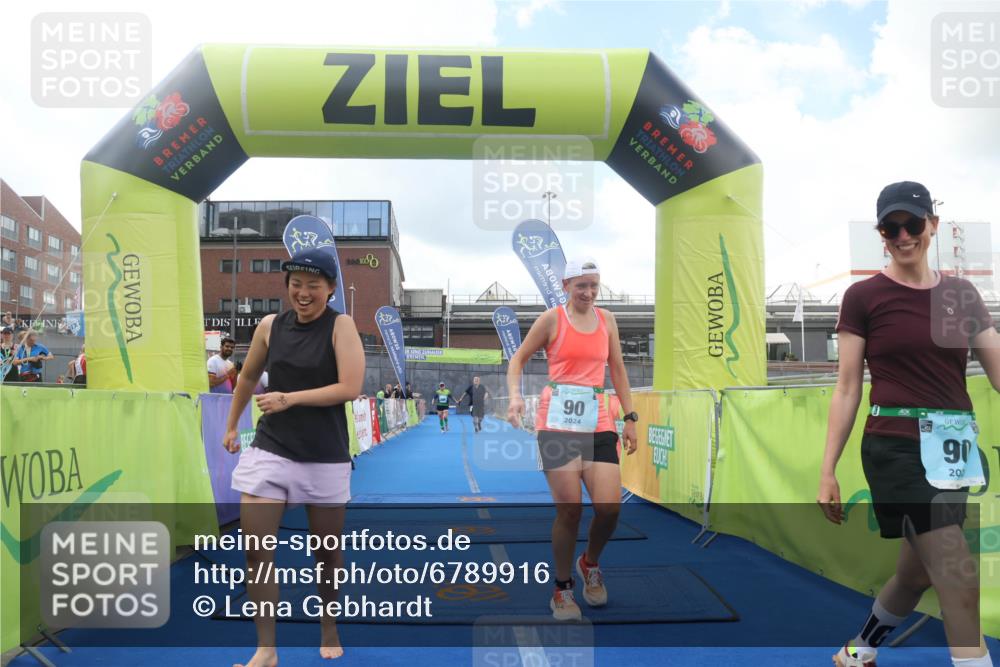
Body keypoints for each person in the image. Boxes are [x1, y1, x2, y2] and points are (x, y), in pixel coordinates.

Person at [817, 182, 1000, 667]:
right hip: (895, 449)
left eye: (912, 224)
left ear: (932, 226)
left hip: (952, 455)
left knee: (916, 575)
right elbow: (848, 387)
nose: (902, 235)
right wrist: (828, 469)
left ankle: (857, 651)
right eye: (890, 227)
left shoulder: (962, 295)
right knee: (958, 576)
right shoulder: (863, 296)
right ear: (881, 234)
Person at [222, 248, 365, 667]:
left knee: (326, 553)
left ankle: (328, 622)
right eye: (296, 285)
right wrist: (232, 425)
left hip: (324, 454)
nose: (303, 294)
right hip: (272, 449)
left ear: (331, 289)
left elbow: (350, 387)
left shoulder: (341, 326)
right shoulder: (270, 325)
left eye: (313, 287)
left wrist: (291, 398)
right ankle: (266, 649)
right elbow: (247, 376)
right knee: (256, 552)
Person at [506, 257, 638, 621]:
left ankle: (589, 562)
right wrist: (516, 396)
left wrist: (630, 418)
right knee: (570, 509)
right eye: (582, 285)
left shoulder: (607, 320)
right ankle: (562, 589)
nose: (589, 292)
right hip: (558, 423)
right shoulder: (552, 319)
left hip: (598, 421)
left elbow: (618, 370)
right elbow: (517, 359)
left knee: (610, 509)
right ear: (566, 285)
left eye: (594, 285)